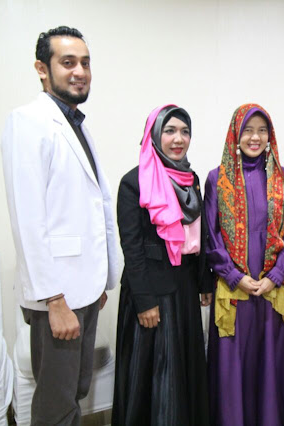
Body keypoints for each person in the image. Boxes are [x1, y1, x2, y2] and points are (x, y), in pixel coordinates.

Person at [1, 26, 117, 425]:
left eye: (85, 62)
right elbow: (28, 217)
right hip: (59, 294)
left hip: (84, 288)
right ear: (42, 69)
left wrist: (100, 281)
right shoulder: (27, 121)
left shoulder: (76, 125)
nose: (80, 71)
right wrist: (54, 300)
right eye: (68, 62)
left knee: (76, 391)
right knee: (56, 402)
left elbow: (89, 207)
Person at [205, 103, 284, 426]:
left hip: (273, 289)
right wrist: (235, 276)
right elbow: (211, 237)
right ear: (235, 134)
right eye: (247, 130)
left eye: (262, 131)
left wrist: (275, 276)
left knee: (271, 362)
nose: (255, 137)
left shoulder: (281, 178)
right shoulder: (217, 179)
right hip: (235, 290)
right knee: (235, 363)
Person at [114, 104, 212, 426]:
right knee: (158, 376)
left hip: (184, 286)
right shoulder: (134, 182)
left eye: (185, 131)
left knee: (183, 371)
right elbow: (132, 248)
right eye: (170, 131)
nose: (178, 139)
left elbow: (199, 235)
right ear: (154, 135)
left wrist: (204, 282)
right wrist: (145, 301)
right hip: (153, 292)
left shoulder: (191, 179)